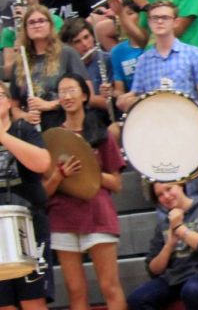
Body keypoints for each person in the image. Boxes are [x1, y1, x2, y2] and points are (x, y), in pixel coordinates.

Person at [42, 73, 126, 310]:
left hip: (98, 215)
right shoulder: (52, 138)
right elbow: (44, 190)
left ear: (85, 95)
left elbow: (117, 184)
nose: (67, 96)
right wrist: (60, 175)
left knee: (109, 286)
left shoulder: (102, 134)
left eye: (72, 90)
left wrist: (89, 171)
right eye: (62, 92)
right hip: (62, 217)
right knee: (75, 291)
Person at [0, 80, 53, 310]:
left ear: (10, 102)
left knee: (32, 300)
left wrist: (2, 136)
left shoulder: (23, 130)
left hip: (29, 227)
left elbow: (43, 163)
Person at [126, 181, 198, 310]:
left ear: (181, 185)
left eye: (169, 189)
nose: (166, 196)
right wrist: (169, 245)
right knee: (137, 299)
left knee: (193, 290)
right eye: (160, 195)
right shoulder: (164, 224)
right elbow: (153, 270)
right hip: (175, 278)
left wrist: (179, 228)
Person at [122, 0, 198, 113]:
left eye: (165, 18)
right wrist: (125, 99)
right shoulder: (143, 60)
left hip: (188, 118)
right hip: (154, 121)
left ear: (176, 22)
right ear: (149, 22)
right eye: (155, 18)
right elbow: (135, 95)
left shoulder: (194, 53)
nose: (159, 21)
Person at [59, 17, 115, 118]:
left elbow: (113, 101)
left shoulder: (108, 60)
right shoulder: (66, 68)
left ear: (93, 36)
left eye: (86, 37)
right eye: (77, 42)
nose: (85, 44)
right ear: (68, 47)